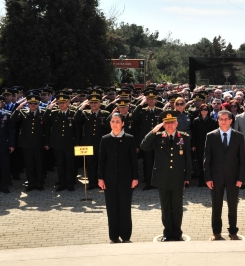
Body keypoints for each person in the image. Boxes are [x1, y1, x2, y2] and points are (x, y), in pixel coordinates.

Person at [140, 111, 192, 241]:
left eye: (172, 122)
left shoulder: (183, 137)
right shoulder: (158, 137)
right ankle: (167, 233)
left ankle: (178, 232)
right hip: (162, 177)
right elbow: (144, 146)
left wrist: (187, 178)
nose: (169, 125)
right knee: (165, 206)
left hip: (178, 177)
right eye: (167, 123)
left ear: (176, 123)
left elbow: (188, 159)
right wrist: (154, 130)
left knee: (177, 207)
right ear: (163, 124)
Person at [203, 110, 245, 240]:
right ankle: (216, 232)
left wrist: (240, 178)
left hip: (233, 178)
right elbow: (207, 159)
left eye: (226, 119)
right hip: (216, 178)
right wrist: (208, 178)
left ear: (231, 120)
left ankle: (233, 231)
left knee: (233, 206)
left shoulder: (239, 136)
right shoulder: (211, 136)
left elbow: (242, 160)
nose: (223, 121)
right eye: (221, 119)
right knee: (216, 206)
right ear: (218, 121)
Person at [98, 113, 138, 243]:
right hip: (109, 179)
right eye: (113, 121)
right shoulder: (105, 139)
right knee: (112, 207)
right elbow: (101, 161)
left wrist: (135, 178)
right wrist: (100, 178)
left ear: (123, 124)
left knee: (125, 207)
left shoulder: (129, 138)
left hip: (126, 179)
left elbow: (134, 160)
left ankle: (126, 235)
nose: (115, 124)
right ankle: (114, 236)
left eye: (117, 121)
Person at [74, 92, 111, 190]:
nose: (93, 104)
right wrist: (82, 106)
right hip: (88, 144)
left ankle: (101, 183)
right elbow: (76, 119)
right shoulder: (85, 113)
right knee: (90, 164)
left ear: (100, 103)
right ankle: (92, 183)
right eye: (91, 103)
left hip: (101, 143)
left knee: (101, 164)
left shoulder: (105, 114)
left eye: (96, 102)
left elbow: (108, 129)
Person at [43, 92, 79, 192]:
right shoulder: (54, 113)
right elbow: (45, 120)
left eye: (64, 102)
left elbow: (77, 129)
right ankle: (62, 183)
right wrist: (49, 108)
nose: (61, 104)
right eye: (59, 103)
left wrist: (77, 142)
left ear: (68, 103)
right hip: (57, 144)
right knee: (60, 164)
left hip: (70, 144)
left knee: (70, 164)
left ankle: (70, 183)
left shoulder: (73, 113)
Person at [10, 94, 46, 191]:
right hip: (27, 144)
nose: (32, 105)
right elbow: (13, 119)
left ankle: (39, 183)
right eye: (30, 103)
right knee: (29, 165)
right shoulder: (23, 112)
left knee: (39, 165)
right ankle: (31, 184)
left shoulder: (43, 112)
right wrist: (18, 108)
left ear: (38, 104)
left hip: (39, 143)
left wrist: (46, 143)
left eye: (35, 103)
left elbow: (47, 129)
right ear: (28, 104)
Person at [132, 88, 164, 190]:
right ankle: (148, 182)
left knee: (157, 162)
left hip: (158, 141)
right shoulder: (142, 111)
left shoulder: (160, 111)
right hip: (146, 142)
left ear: (156, 100)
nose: (151, 101)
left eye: (153, 99)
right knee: (147, 162)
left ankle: (157, 182)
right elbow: (133, 117)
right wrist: (140, 104)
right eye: (148, 99)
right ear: (146, 100)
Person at [191, 104, 218, 187]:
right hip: (199, 145)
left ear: (208, 111)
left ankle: (208, 180)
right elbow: (194, 134)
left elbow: (215, 134)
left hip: (209, 144)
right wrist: (193, 145)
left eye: (206, 109)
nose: (204, 111)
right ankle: (201, 181)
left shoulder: (213, 121)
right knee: (200, 163)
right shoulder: (196, 121)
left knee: (208, 162)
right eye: (202, 109)